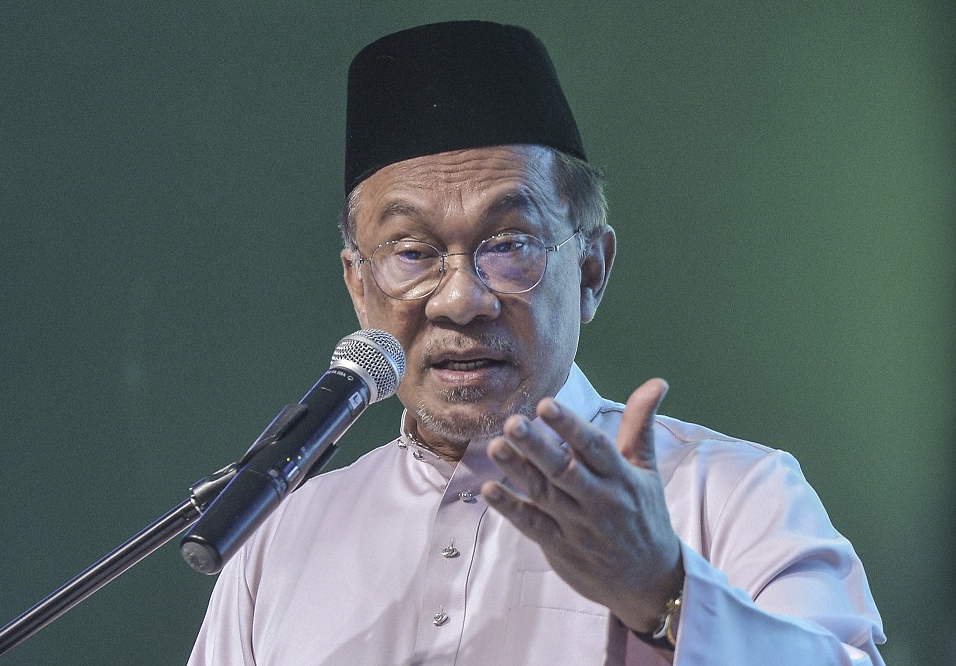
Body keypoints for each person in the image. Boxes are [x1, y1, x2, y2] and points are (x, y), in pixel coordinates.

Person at [188, 21, 885, 665]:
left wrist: (663, 591)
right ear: (359, 287)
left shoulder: (731, 496)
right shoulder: (279, 536)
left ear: (591, 270)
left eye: (509, 244)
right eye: (411, 252)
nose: (459, 299)